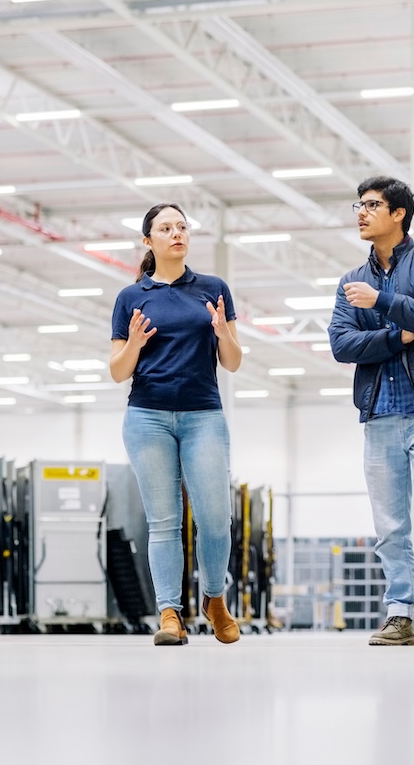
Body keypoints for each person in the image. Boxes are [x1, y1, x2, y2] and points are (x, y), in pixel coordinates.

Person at [328, 176, 414, 646]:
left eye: (371, 205)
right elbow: (342, 346)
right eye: (358, 206)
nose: (360, 213)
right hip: (379, 415)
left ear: (399, 213)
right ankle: (400, 614)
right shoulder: (350, 281)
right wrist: (401, 330)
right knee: (389, 524)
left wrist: (383, 302)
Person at [109, 202, 243, 646]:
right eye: (165, 228)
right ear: (148, 241)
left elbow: (233, 362)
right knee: (164, 522)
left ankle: (215, 599)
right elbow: (117, 370)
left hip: (203, 415)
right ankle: (169, 613)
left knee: (215, 519)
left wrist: (223, 332)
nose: (176, 233)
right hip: (147, 417)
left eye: (182, 226)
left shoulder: (212, 288)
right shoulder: (131, 297)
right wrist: (136, 342)